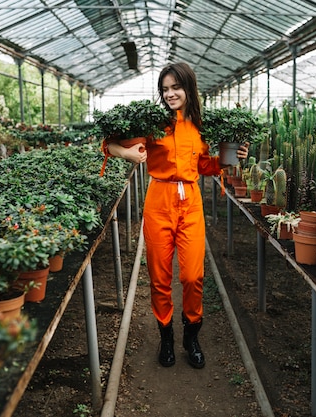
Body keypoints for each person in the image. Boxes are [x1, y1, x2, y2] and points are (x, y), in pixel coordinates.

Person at [104, 62, 249, 369]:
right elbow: (110, 143)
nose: (170, 94)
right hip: (158, 200)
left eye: (176, 88)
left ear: (189, 88)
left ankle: (191, 336)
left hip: (191, 202)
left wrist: (229, 158)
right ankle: (166, 336)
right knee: (159, 277)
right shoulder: (154, 123)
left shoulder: (201, 124)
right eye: (165, 89)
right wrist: (128, 153)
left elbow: (206, 166)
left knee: (193, 276)